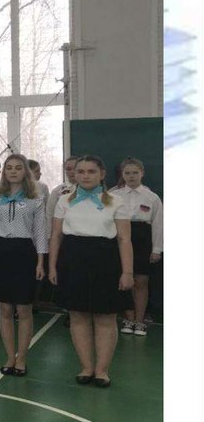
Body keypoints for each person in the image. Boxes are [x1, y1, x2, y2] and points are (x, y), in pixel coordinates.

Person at [49, 155, 134, 387]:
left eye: (91, 171)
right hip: (72, 260)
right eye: (81, 171)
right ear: (74, 174)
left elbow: (124, 239)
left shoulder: (116, 201)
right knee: (78, 316)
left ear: (102, 174)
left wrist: (127, 272)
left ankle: (102, 370)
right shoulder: (64, 201)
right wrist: (52, 266)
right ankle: (86, 367)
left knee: (105, 317)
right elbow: (56, 236)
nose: (85, 176)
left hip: (105, 262)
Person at [0, 154, 47, 377]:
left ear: (25, 172)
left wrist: (41, 261)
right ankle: (10, 356)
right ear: (4, 172)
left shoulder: (35, 199)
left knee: (24, 309)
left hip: (24, 253)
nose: (13, 171)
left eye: (18, 168)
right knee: (5, 308)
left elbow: (40, 232)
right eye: (9, 168)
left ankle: (22, 358)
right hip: (1, 252)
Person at [111, 158, 163, 336]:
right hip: (120, 238)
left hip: (143, 239)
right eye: (127, 173)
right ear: (122, 175)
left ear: (142, 173)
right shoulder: (114, 195)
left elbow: (158, 225)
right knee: (125, 280)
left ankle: (139, 321)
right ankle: (128, 319)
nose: (131, 176)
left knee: (141, 281)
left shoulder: (152, 197)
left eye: (135, 173)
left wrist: (157, 249)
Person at [46, 156, 79, 221]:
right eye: (69, 169)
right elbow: (49, 214)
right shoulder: (57, 191)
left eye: (75, 168)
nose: (72, 172)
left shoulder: (90, 190)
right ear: (65, 170)